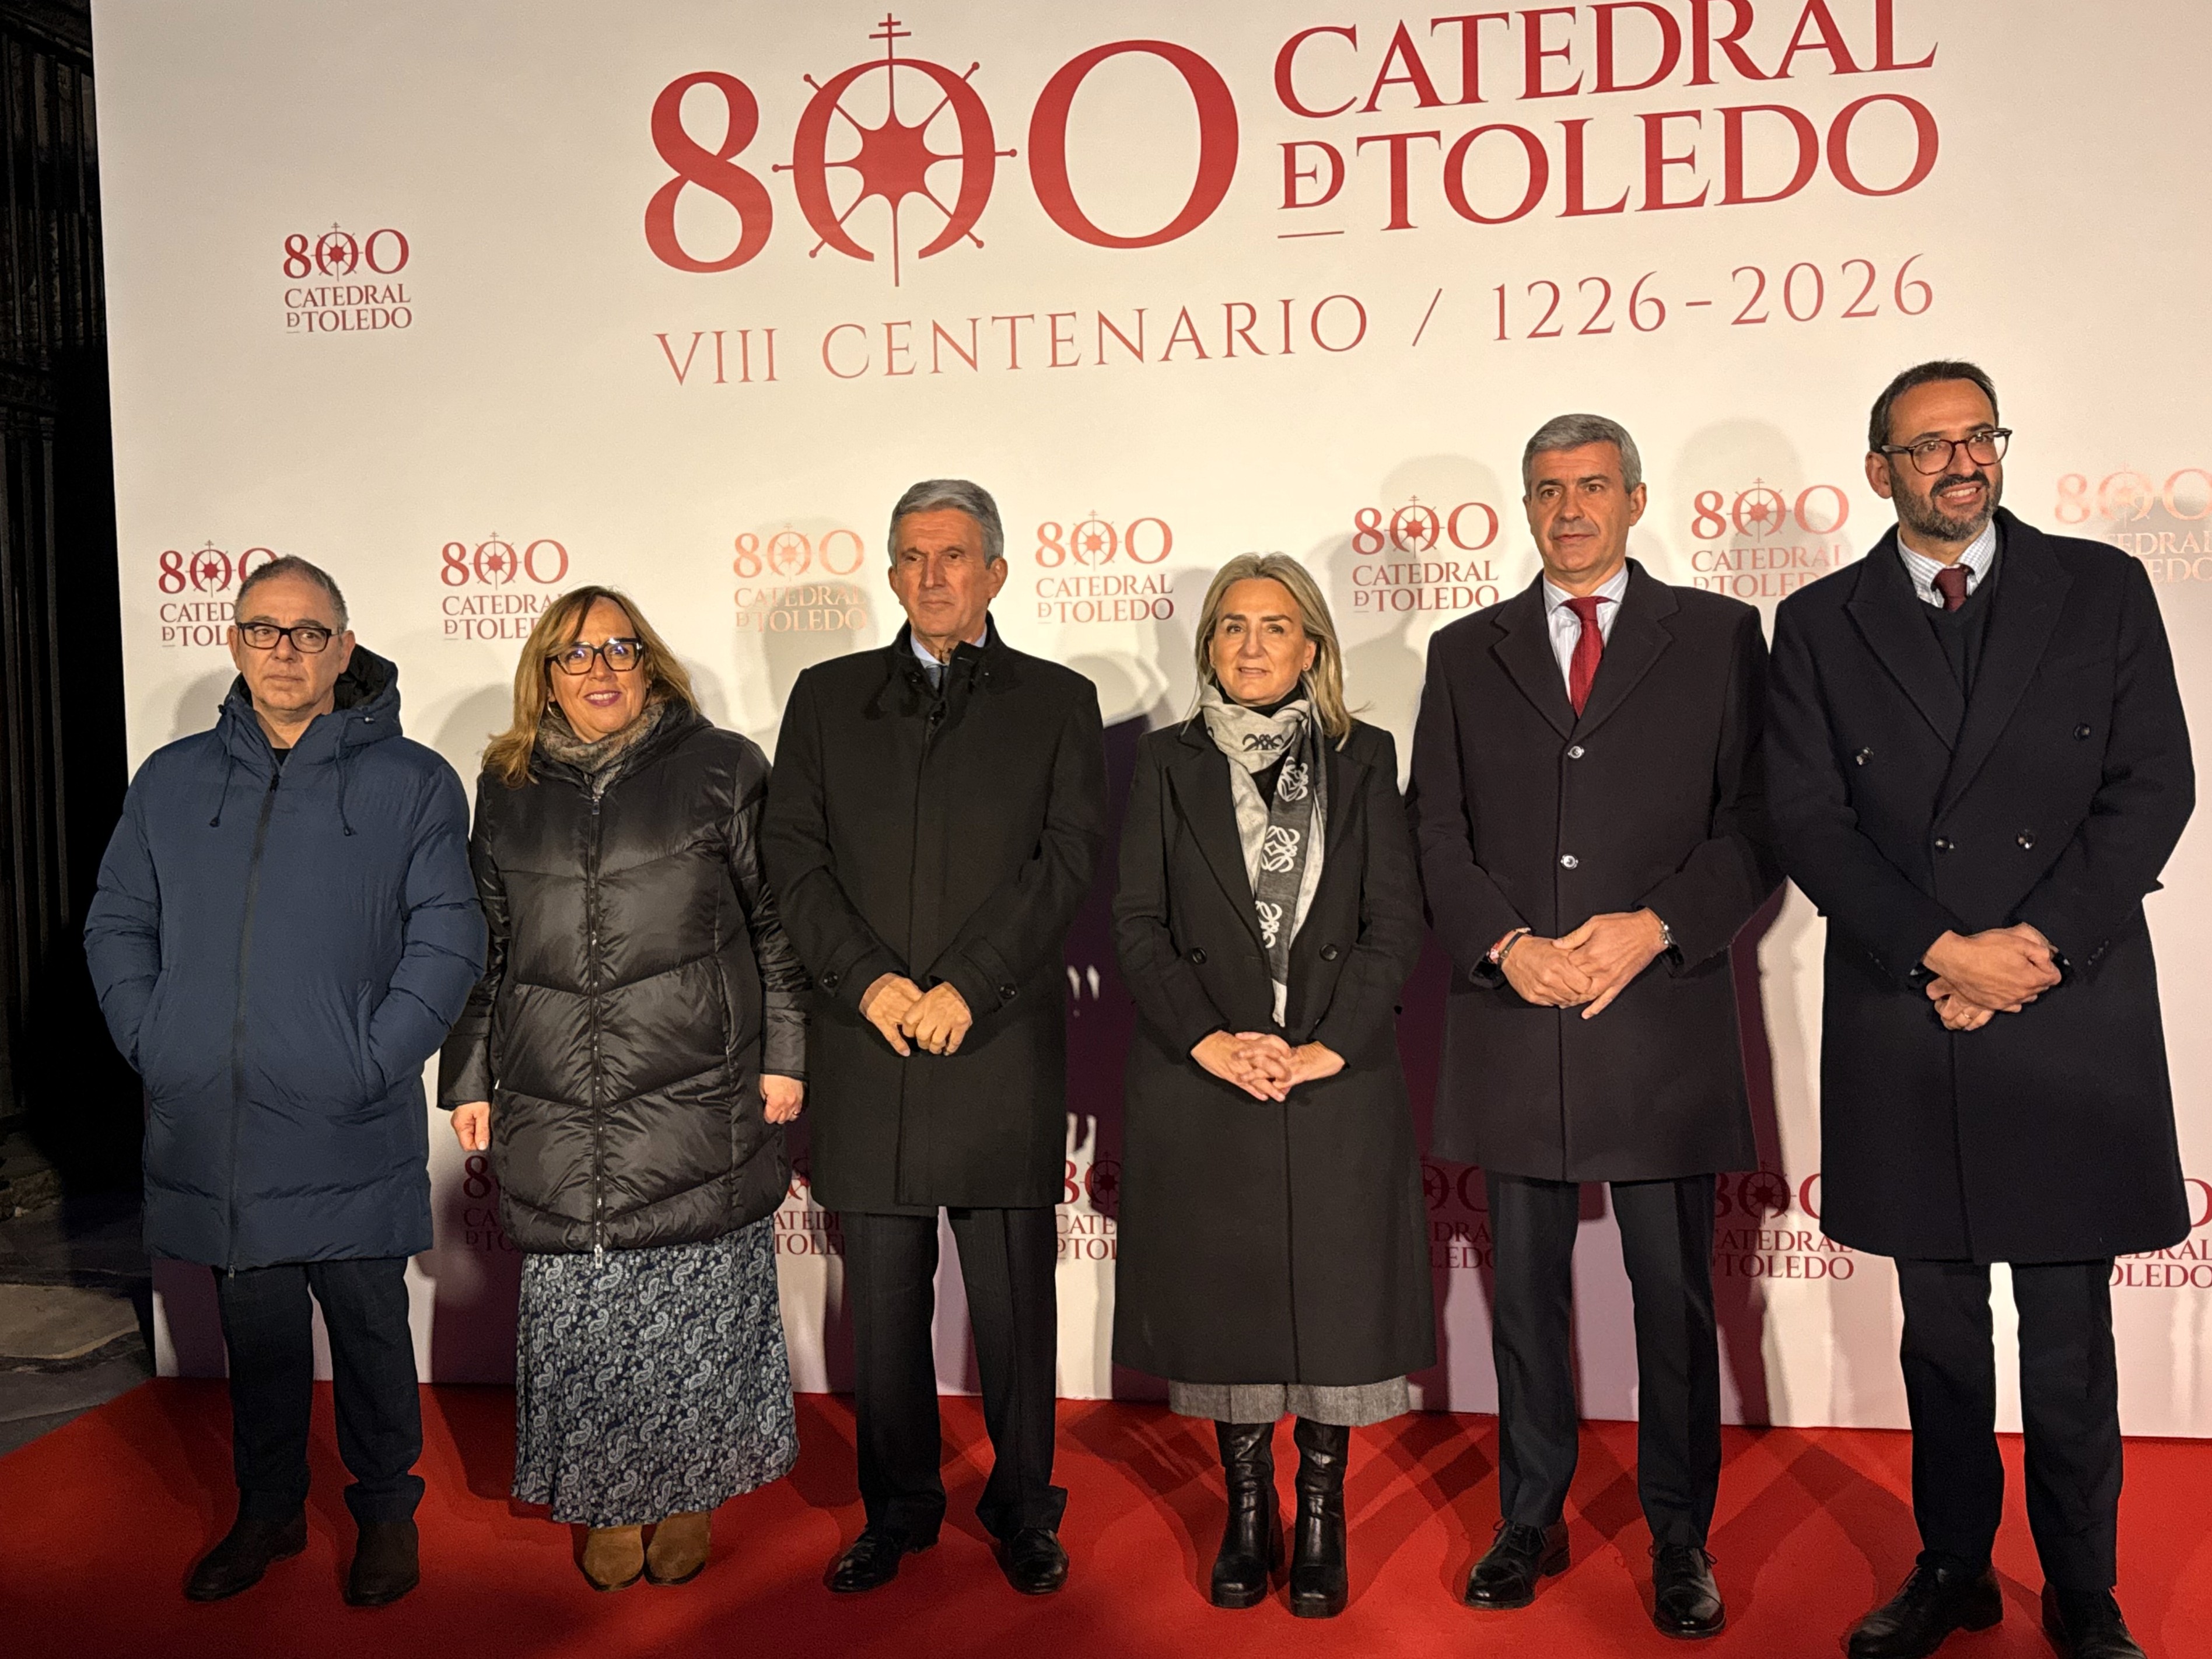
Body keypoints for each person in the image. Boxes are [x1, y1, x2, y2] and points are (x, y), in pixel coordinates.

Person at [1766, 362, 2192, 1659]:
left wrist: (2033, 949)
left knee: (2068, 1335)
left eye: (1979, 436)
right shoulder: (1818, 622)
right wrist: (1942, 953)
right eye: (1930, 445)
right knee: (1941, 1334)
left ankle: (2085, 1587)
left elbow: (2153, 786)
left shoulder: (2100, 587)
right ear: (1879, 469)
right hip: (1911, 1012)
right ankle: (1952, 1566)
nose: (1963, 462)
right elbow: (1807, 822)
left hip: (2066, 1007)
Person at [1410, 415, 1777, 1637]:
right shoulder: (1465, 652)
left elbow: (1757, 823)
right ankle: (1530, 1516)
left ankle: (1680, 1536)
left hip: (1658, 1017)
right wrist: (1508, 946)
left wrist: (1657, 927)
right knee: (1523, 1301)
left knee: (1673, 1298)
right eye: (1548, 490)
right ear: (1526, 506)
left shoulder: (1719, 636)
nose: (1570, 509)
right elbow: (1434, 831)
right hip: (1514, 1017)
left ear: (1635, 498)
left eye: (1592, 487)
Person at [83, 556, 484, 1606]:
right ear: (234, 641)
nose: (285, 652)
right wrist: (156, 1038)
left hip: (349, 1116)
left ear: (344, 649)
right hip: (220, 1124)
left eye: (310, 633)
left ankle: (386, 1514)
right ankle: (267, 1514)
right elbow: (119, 920)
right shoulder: (172, 780)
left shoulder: (413, 782)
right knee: (256, 1341)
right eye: (264, 629)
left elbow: (448, 938)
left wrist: (374, 1056)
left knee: (369, 1337)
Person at [762, 478, 1107, 1597]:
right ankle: (898, 1510)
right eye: (912, 556)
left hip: (996, 1046)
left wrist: (967, 984)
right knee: (885, 1313)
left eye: (954, 555)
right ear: (891, 572)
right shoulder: (826, 698)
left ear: (996, 572)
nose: (931, 575)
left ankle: (1025, 1511)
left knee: (1014, 1314)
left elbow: (1065, 861)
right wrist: (869, 984)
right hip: (870, 1049)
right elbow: (793, 859)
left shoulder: (1059, 701)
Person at [436, 586, 808, 1591]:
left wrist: (787, 1054)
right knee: (585, 1318)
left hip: (699, 1091)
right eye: (574, 654)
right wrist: (468, 1071)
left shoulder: (723, 766)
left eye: (619, 648)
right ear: (544, 676)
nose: (599, 669)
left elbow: (776, 926)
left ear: (650, 662)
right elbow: (488, 946)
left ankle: (690, 1495)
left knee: (699, 1311)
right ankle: (608, 1500)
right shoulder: (507, 786)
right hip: (557, 1097)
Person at [1111, 554, 1430, 1619]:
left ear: (1312, 647)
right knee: (1229, 1301)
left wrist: (1332, 1043)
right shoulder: (1165, 762)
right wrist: (1208, 1040)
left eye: (1275, 626)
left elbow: (1395, 920)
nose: (1252, 646)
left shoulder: (1365, 757)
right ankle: (1249, 1510)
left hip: (1333, 1074)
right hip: (1209, 1074)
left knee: (1337, 1304)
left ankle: (1323, 1509)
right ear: (1207, 645)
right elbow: (1138, 925)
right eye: (1232, 626)